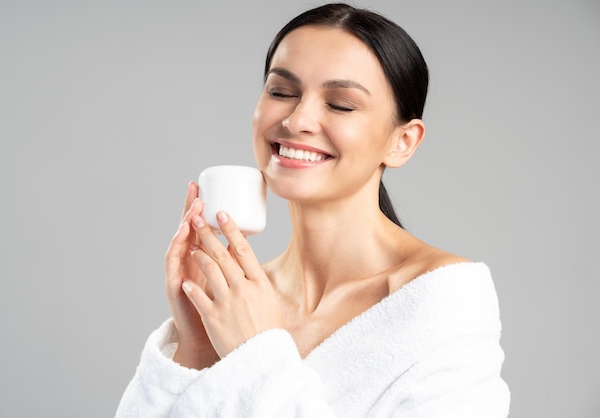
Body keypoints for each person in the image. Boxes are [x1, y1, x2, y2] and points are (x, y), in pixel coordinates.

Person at [115, 3, 510, 417]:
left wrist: (257, 356)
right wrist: (196, 346)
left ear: (403, 141)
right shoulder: (238, 296)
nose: (297, 119)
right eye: (281, 92)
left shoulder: (442, 302)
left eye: (341, 104)